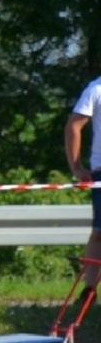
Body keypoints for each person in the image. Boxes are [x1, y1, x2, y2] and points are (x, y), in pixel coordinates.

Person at [65, 75, 101, 292]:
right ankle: (89, 289)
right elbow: (74, 125)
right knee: (99, 232)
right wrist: (76, 167)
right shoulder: (97, 88)